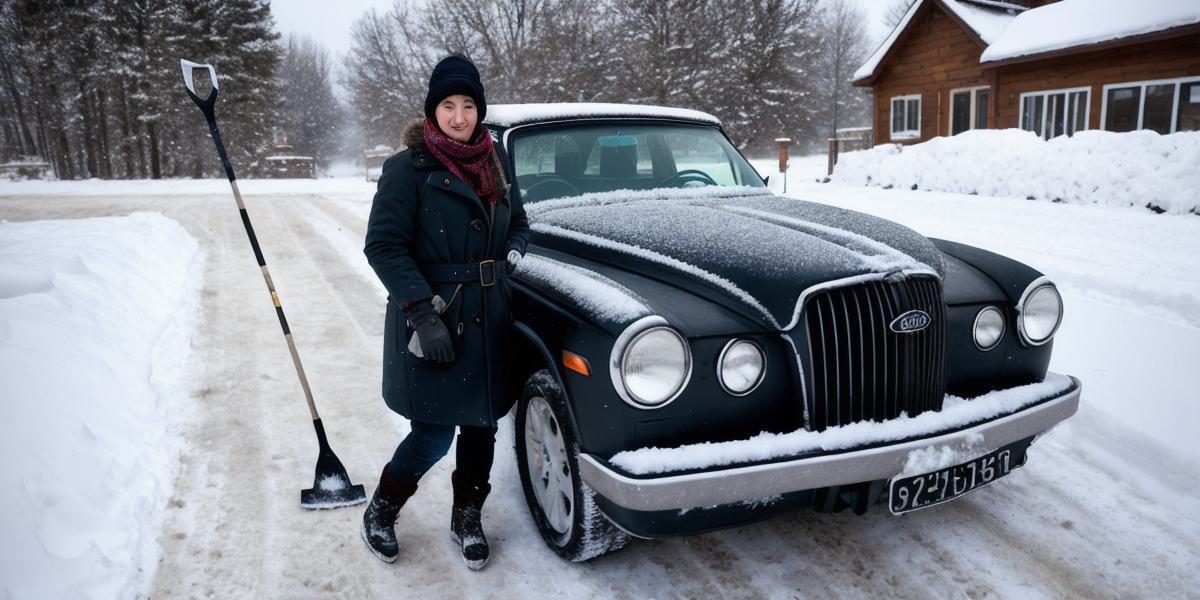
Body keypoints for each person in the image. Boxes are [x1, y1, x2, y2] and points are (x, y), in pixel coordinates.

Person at [361, 54, 529, 570]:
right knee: (432, 433)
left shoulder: (495, 159)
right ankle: (382, 510)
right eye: (448, 106)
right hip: (438, 314)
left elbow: (517, 220)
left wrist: (514, 250)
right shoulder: (407, 170)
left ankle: (466, 517)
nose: (460, 116)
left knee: (481, 428)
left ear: (480, 109)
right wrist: (421, 312)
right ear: (432, 112)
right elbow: (384, 246)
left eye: (469, 105)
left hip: (489, 315)